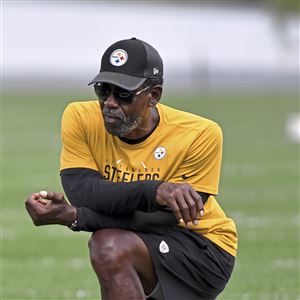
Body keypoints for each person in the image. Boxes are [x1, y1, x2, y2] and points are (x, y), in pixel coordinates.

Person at [25, 37, 238, 300]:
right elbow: (83, 192)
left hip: (202, 248)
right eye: (103, 90)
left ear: (153, 96)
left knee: (109, 245)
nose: (110, 103)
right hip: (138, 241)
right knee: (107, 244)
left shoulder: (201, 133)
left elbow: (162, 220)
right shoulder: (79, 117)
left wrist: (75, 217)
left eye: (124, 94)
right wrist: (154, 191)